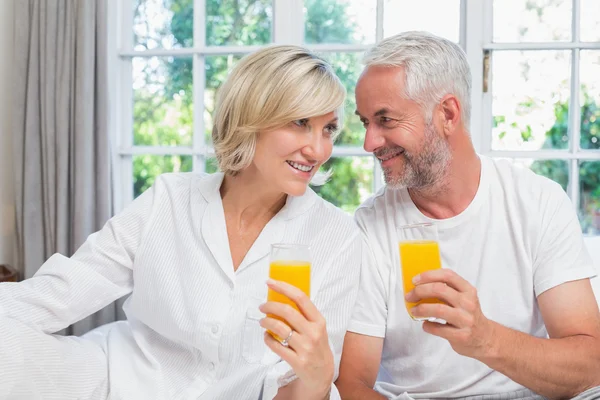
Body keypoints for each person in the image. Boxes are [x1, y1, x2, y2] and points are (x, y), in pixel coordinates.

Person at [0, 45, 362, 400]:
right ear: (251, 118)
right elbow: (59, 293)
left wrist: (315, 381)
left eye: (328, 129)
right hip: (113, 381)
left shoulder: (337, 238)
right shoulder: (169, 198)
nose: (318, 150)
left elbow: (295, 386)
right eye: (300, 123)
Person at [336, 31, 600, 399]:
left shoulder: (536, 201)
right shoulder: (371, 227)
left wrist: (485, 339)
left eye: (386, 120)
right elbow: (351, 383)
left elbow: (591, 365)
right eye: (366, 122)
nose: (369, 143)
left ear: (447, 114)